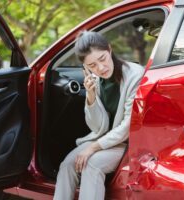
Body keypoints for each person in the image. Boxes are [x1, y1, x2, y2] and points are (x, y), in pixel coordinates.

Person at [53, 31, 144, 200]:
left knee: (92, 165)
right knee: (67, 165)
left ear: (109, 50)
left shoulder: (135, 75)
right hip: (106, 139)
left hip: (128, 142)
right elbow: (96, 127)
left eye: (102, 59)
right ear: (85, 67)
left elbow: (127, 127)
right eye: (92, 65)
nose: (101, 68)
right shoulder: (95, 80)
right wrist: (91, 95)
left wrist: (92, 148)